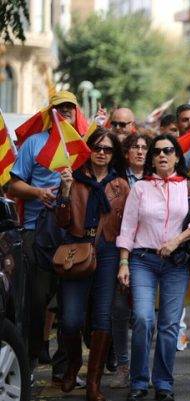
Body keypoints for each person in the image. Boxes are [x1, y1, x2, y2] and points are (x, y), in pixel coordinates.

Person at [116, 134, 190, 401]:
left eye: (168, 150)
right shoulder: (140, 188)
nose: (162, 155)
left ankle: (163, 382)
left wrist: (177, 240)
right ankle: (138, 381)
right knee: (143, 319)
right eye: (157, 151)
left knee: (169, 324)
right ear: (151, 158)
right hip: (142, 260)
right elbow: (127, 228)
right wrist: (124, 262)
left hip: (176, 263)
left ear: (177, 156)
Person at [7, 91, 82, 383]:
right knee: (35, 302)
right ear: (50, 113)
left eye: (70, 108)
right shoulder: (34, 144)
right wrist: (39, 193)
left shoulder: (82, 147)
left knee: (69, 304)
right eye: (59, 108)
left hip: (73, 234)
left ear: (77, 113)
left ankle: (64, 368)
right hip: (37, 232)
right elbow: (14, 185)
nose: (65, 113)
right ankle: (31, 363)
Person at [56, 128, 130, 401]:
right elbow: (61, 222)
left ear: (113, 155)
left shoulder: (121, 185)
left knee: (102, 317)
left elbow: (128, 226)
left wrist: (125, 261)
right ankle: (74, 364)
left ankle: (93, 383)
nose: (101, 153)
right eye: (97, 148)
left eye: (108, 149)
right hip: (76, 249)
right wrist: (64, 192)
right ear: (88, 150)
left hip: (108, 251)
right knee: (71, 319)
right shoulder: (73, 180)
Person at [107, 133, 151, 389]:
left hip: (148, 253)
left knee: (145, 316)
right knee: (120, 310)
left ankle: (141, 366)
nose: (140, 151)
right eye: (135, 147)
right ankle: (123, 366)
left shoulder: (157, 178)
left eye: (145, 148)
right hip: (119, 251)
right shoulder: (115, 180)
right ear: (126, 152)